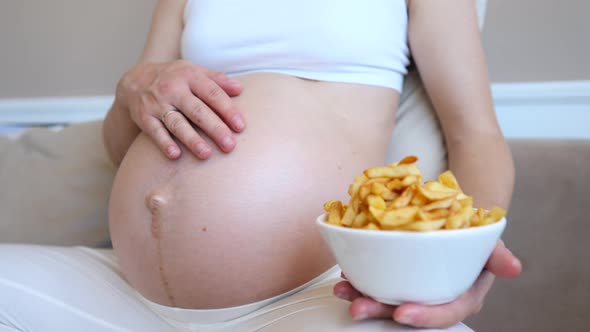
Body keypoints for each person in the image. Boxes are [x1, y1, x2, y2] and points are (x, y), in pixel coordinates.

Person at [0, 0, 521, 331]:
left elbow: (474, 134)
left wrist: (462, 260)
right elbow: (124, 144)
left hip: (312, 297)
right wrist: (132, 88)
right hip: (128, 300)